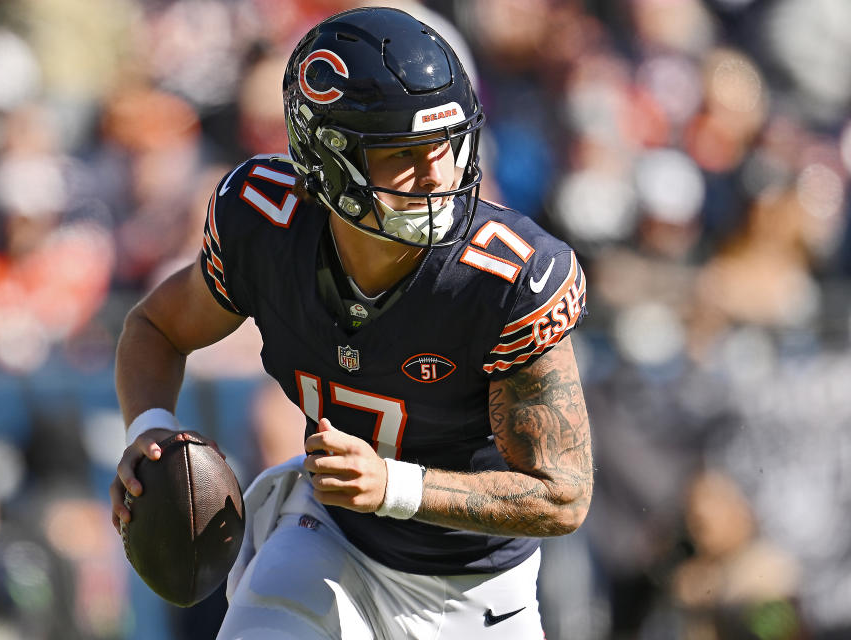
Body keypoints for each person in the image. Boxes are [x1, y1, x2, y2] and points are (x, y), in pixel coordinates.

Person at [109, 7, 592, 639]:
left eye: (446, 146)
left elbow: (563, 494)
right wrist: (149, 428)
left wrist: (395, 485)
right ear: (328, 162)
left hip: (474, 591)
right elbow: (155, 328)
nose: (438, 175)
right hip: (329, 541)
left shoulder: (501, 280)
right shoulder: (266, 229)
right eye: (405, 153)